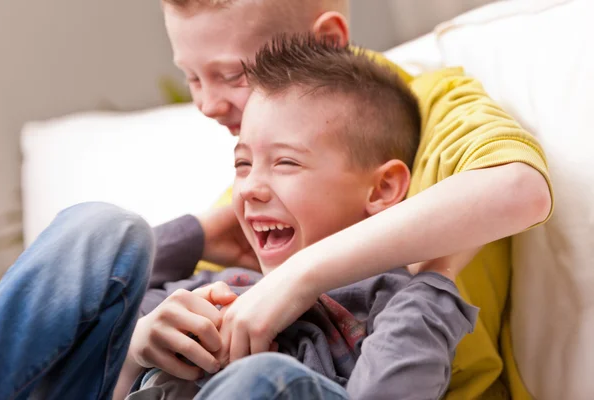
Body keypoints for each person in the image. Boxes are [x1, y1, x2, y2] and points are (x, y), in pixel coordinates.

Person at [157, 0, 553, 398]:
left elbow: (521, 190)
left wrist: (301, 276)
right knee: (105, 233)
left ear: (326, 41)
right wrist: (200, 235)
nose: (207, 106)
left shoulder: (428, 102)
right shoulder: (256, 182)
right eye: (191, 78)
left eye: (232, 73)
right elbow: (149, 297)